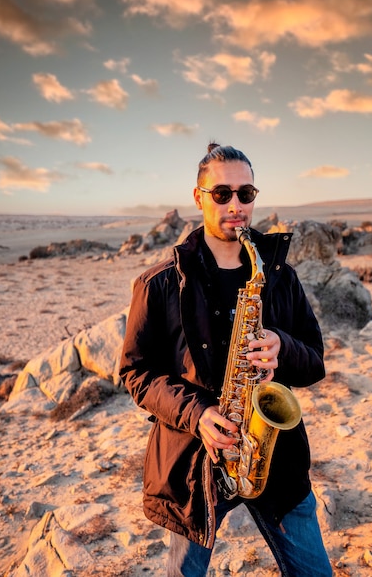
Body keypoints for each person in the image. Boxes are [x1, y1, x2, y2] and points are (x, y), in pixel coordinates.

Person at [119, 143, 332, 576]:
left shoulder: (277, 276)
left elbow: (314, 362)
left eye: (246, 193)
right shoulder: (158, 283)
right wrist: (197, 414)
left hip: (274, 459)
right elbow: (136, 373)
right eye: (222, 194)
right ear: (198, 198)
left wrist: (282, 347)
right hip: (194, 462)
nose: (236, 206)